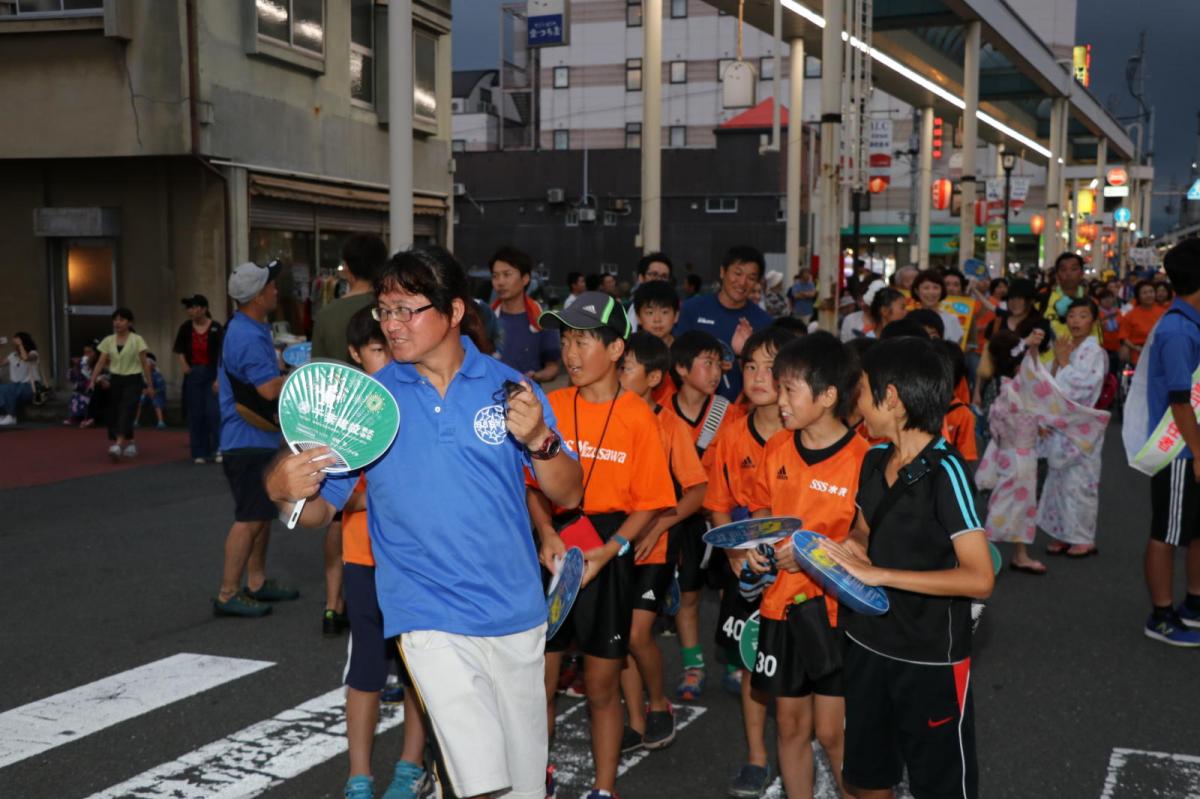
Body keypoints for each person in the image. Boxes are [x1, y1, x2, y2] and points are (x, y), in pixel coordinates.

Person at [269, 246, 583, 799]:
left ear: (454, 311)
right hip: (426, 611)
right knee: (482, 777)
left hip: (515, 609)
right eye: (385, 311)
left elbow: (569, 490)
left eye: (406, 309)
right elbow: (321, 510)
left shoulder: (509, 388)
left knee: (522, 786)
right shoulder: (369, 404)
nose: (392, 324)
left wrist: (539, 439)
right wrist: (282, 489)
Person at [824, 336, 994, 799]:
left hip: (929, 659)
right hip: (864, 644)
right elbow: (862, 529)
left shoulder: (947, 471)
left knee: (940, 786)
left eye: (860, 391)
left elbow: (980, 576)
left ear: (891, 398)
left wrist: (881, 575)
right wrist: (851, 548)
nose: (853, 402)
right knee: (865, 779)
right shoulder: (875, 457)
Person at [531, 291, 674, 799]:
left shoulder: (639, 416)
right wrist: (547, 533)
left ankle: (603, 788)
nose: (570, 353)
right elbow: (530, 485)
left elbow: (652, 500)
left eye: (583, 340)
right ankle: (536, 777)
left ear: (616, 350)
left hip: (606, 557)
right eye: (565, 340)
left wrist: (611, 548)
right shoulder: (549, 405)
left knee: (601, 688)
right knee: (537, 685)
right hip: (553, 549)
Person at [744, 331, 867, 799]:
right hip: (782, 608)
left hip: (836, 614)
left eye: (789, 388)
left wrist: (815, 554)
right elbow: (761, 510)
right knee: (791, 728)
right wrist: (758, 543)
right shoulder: (777, 448)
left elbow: (866, 538)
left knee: (835, 734)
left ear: (829, 395)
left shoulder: (863, 459)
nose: (779, 399)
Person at [339, 306, 430, 799]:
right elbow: (335, 499)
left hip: (416, 560)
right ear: (356, 354)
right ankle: (359, 775)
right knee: (366, 671)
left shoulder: (417, 401)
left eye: (389, 346)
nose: (386, 357)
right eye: (376, 349)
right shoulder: (347, 416)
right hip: (364, 557)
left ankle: (409, 766)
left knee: (419, 669)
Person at [702, 326, 797, 798]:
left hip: (799, 563)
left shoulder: (805, 429)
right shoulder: (733, 432)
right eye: (750, 366)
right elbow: (718, 502)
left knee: (804, 664)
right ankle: (757, 756)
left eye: (771, 367)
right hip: (746, 563)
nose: (759, 377)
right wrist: (735, 554)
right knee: (753, 660)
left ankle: (801, 749)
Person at [616, 331, 707, 753]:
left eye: (627, 367)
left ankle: (658, 703)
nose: (618, 373)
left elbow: (696, 491)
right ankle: (634, 720)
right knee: (617, 636)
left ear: (654, 378)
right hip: (613, 545)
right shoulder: (608, 417)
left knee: (637, 634)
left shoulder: (669, 424)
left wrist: (658, 526)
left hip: (654, 547)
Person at [310, 234, 389, 637]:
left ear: (349, 267)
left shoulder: (328, 315)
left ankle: (331, 602)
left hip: (338, 422)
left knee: (336, 513)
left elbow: (316, 375)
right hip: (386, 419)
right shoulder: (390, 312)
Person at [213, 262, 298, 618]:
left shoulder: (247, 327)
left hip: (253, 437)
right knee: (249, 517)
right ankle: (228, 592)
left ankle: (257, 581)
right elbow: (266, 389)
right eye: (271, 286)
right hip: (247, 439)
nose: (276, 290)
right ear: (258, 295)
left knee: (261, 513)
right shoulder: (247, 334)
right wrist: (299, 373)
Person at [663, 330, 741, 701]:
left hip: (722, 516)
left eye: (718, 363)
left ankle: (733, 659)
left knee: (731, 591)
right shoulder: (661, 411)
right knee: (688, 594)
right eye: (706, 363)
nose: (715, 372)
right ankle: (693, 665)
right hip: (685, 519)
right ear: (680, 368)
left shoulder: (730, 412)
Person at [1131, 239, 1200, 646]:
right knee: (1168, 532)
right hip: (1179, 449)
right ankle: (1160, 614)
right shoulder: (1177, 329)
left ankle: (1193, 603)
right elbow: (1179, 400)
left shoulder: (1189, 322)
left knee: (1196, 530)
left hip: (1192, 446)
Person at [1038, 300, 1110, 558]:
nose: (1076, 321)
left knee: (1081, 483)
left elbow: (1084, 388)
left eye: (1083, 315)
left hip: (1082, 426)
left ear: (1093, 321)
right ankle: (1061, 533)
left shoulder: (1095, 352)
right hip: (1060, 424)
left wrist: (1064, 362)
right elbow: (1047, 380)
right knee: (1057, 482)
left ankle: (1082, 537)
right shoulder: (1065, 346)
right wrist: (1059, 362)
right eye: (1072, 315)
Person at [675, 246, 773, 400]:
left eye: (751, 278)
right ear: (722, 272)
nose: (742, 282)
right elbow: (676, 360)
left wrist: (745, 353)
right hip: (694, 407)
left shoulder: (764, 322)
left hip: (741, 411)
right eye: (737, 273)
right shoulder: (691, 309)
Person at [89, 309, 154, 460]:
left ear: (129, 323)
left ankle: (118, 445)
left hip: (134, 379)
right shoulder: (108, 340)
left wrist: (149, 385)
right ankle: (130, 442)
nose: (117, 323)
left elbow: (145, 364)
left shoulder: (137, 339)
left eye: (122, 320)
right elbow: (100, 361)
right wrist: (93, 380)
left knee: (127, 409)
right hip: (116, 380)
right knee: (116, 412)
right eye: (115, 319)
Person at [491, 246, 561, 383]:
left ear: (525, 279)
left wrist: (535, 377)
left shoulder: (542, 320)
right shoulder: (486, 319)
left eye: (507, 274)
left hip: (528, 399)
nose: (500, 282)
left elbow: (553, 368)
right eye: (495, 276)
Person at [174, 295, 223, 463]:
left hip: (211, 373)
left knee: (213, 412)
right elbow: (179, 349)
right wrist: (183, 364)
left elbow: (222, 356)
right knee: (196, 413)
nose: (191, 311)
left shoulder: (216, 328)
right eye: (189, 308)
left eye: (194, 307)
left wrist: (219, 378)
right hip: (193, 373)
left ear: (203, 308)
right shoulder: (186, 328)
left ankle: (218, 448)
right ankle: (199, 451)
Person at [633, 280, 682, 406]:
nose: (657, 319)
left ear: (676, 315)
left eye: (665, 312)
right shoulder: (628, 352)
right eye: (650, 313)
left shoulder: (686, 352)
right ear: (638, 317)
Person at [1118, 280, 1166, 366]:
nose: (1148, 295)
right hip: (1138, 354)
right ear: (1138, 296)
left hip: (1160, 354)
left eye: (1151, 292)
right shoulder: (1131, 315)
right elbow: (1123, 337)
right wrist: (1135, 347)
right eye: (1144, 292)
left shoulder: (1164, 313)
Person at [911, 270, 964, 345]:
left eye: (936, 288)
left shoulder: (951, 319)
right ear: (916, 291)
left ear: (942, 291)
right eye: (926, 288)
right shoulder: (910, 318)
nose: (931, 292)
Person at [0, 332, 41, 426]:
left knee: (8, 389)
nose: (15, 345)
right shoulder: (12, 355)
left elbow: (25, 358)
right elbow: (1, 363)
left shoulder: (33, 353)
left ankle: (11, 416)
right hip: (16, 387)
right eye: (14, 343)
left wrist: (21, 345)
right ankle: (3, 414)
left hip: (31, 386)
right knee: (3, 388)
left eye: (17, 342)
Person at [63, 342, 97, 427]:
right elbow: (73, 379)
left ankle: (87, 417)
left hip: (95, 387)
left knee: (86, 395)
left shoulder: (97, 363)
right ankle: (75, 417)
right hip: (83, 387)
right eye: (85, 352)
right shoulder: (81, 365)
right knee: (76, 394)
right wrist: (76, 367)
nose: (87, 355)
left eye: (89, 352)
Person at [133, 353, 168, 429]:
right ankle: (135, 421)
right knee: (139, 400)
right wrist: (143, 391)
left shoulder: (157, 374)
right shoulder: (142, 375)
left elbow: (161, 388)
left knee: (156, 401)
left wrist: (152, 392)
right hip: (146, 394)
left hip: (157, 393)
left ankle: (161, 422)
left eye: (148, 363)